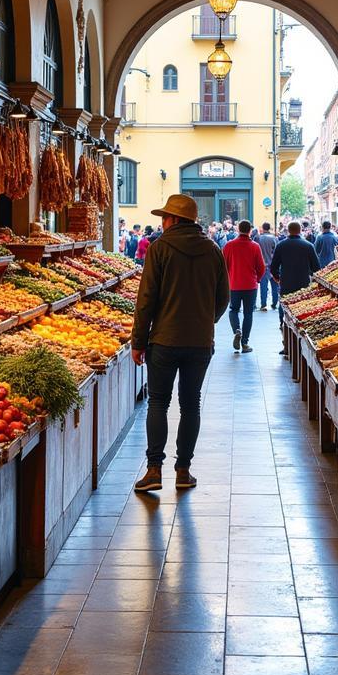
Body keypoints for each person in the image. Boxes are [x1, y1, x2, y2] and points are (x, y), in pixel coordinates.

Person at [131, 194, 230, 492]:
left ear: (173, 220)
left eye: (165, 217)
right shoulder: (213, 250)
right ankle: (183, 471)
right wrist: (204, 321)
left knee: (159, 402)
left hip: (163, 339)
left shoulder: (159, 249)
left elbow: (146, 299)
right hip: (199, 342)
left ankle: (153, 471)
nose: (162, 221)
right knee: (190, 404)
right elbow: (223, 297)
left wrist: (138, 340)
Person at [271, 221, 321, 353]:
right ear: (300, 230)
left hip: (286, 285)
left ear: (288, 230)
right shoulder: (308, 246)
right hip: (303, 286)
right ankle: (301, 347)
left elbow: (273, 267)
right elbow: (316, 268)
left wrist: (278, 279)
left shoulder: (281, 246)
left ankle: (286, 345)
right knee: (302, 315)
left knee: (285, 315)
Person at [222, 219, 265, 354]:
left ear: (237, 229)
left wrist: (227, 279)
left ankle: (237, 330)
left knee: (233, 310)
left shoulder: (229, 246)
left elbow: (223, 266)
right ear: (250, 231)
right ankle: (245, 342)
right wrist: (257, 279)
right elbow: (261, 267)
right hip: (250, 285)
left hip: (233, 284)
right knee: (248, 313)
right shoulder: (255, 246)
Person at [255, 221, 279, 311]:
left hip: (262, 265)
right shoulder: (274, 238)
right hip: (272, 265)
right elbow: (276, 252)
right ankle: (274, 303)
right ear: (269, 228)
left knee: (263, 286)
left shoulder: (258, 238)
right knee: (274, 285)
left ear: (263, 228)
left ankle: (263, 304)